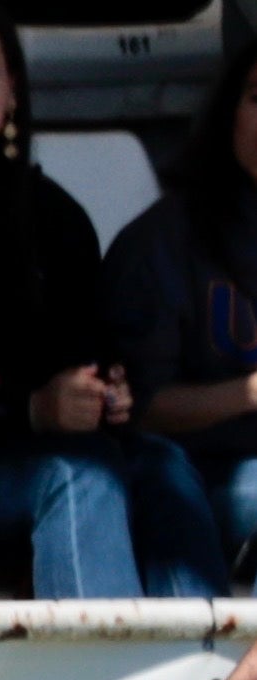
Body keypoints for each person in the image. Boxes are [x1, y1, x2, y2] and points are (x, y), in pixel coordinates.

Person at [0, 0, 228, 596]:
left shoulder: (53, 216)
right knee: (77, 472)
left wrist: (108, 391)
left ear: (12, 89)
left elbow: (85, 347)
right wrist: (31, 408)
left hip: (41, 446)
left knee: (161, 464)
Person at [105, 38, 257, 562]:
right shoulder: (163, 240)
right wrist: (249, 393)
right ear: (229, 114)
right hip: (200, 472)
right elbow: (136, 411)